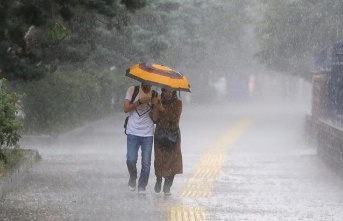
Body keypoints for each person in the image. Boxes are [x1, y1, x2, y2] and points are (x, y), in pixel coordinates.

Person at [124, 82, 157, 194]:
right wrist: (139, 102)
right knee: (131, 159)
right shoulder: (133, 90)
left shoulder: (155, 95)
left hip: (147, 133)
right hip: (133, 131)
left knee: (146, 162)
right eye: (146, 83)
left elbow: (155, 118)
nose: (148, 86)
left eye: (150, 84)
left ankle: (142, 185)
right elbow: (126, 108)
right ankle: (133, 177)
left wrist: (155, 105)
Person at [150, 88, 183, 195]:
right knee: (159, 160)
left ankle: (168, 185)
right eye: (166, 91)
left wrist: (162, 109)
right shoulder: (158, 100)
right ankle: (158, 179)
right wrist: (155, 105)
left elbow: (174, 118)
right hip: (160, 135)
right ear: (163, 91)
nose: (168, 94)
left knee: (173, 162)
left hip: (173, 135)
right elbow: (154, 119)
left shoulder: (178, 103)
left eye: (171, 91)